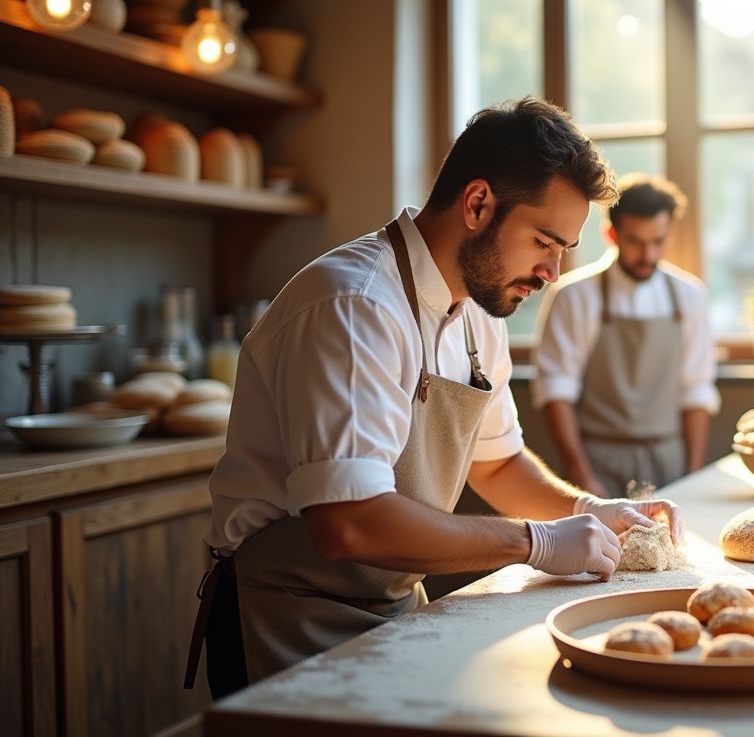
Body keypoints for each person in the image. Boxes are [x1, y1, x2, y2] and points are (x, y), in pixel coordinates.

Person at [184, 99, 684, 699]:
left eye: (563, 251)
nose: (553, 271)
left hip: (393, 610)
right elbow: (348, 525)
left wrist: (586, 509)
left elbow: (498, 464)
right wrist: (536, 542)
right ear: (477, 204)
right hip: (285, 619)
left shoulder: (479, 313)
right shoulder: (355, 306)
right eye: (544, 242)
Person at [532, 173, 720, 498]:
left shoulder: (691, 296)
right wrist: (580, 474)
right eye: (635, 242)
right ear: (611, 234)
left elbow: (696, 391)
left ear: (670, 233)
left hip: (670, 460)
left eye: (658, 241)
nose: (648, 255)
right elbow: (556, 389)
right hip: (597, 461)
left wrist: (692, 477)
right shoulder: (574, 296)